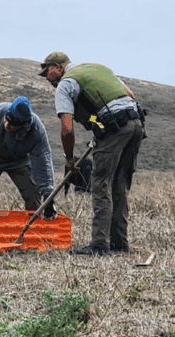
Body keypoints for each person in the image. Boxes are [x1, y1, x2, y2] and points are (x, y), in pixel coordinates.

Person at [38, 52, 144, 255]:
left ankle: (99, 245)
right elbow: (129, 94)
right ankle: (119, 244)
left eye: (48, 72)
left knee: (101, 183)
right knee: (119, 184)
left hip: (115, 128)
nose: (47, 78)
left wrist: (70, 159)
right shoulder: (97, 69)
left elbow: (67, 127)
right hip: (136, 123)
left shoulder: (65, 84)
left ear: (58, 67)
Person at [0, 96, 56, 217]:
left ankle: (33, 225)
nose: (7, 124)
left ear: (23, 125)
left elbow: (43, 161)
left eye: (13, 124)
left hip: (20, 162)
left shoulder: (36, 130)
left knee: (33, 194)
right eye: (6, 119)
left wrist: (48, 196)